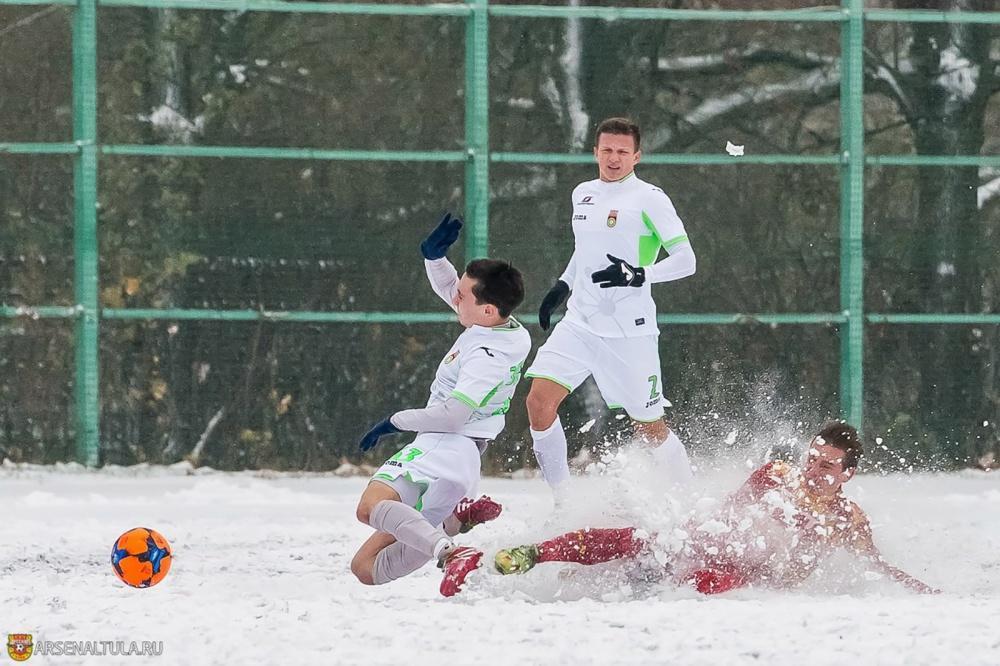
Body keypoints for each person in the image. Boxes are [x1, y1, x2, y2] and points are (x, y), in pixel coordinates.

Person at [491, 422, 939, 595]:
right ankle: (538, 554)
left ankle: (614, 587)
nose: (814, 469)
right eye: (812, 458)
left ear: (847, 474)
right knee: (643, 540)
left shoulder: (847, 520)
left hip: (745, 573)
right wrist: (694, 530)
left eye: (827, 465)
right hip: (713, 540)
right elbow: (729, 509)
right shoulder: (778, 474)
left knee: (699, 583)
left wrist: (926, 591)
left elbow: (876, 566)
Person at [350, 213, 531, 597]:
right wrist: (435, 258)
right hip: (464, 457)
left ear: (485, 311)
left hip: (444, 443)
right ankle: (451, 525)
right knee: (365, 568)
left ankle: (450, 552)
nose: (454, 297)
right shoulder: (504, 327)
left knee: (369, 507)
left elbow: (453, 416)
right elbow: (457, 291)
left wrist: (393, 421)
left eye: (462, 295)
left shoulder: (484, 354)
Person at [526, 117, 698, 502]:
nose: (614, 158)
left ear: (636, 156)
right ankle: (563, 502)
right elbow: (585, 251)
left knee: (649, 427)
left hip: (629, 331)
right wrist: (563, 285)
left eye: (623, 152)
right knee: (538, 401)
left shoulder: (650, 198)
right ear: (595, 152)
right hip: (580, 323)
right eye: (607, 150)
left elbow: (687, 260)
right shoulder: (583, 193)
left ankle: (690, 506)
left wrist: (639, 274)